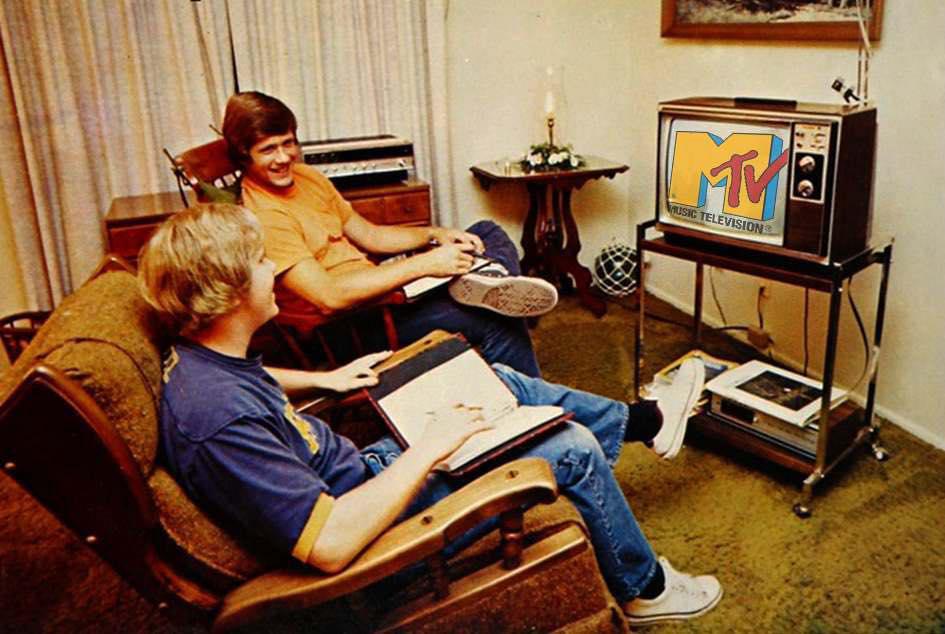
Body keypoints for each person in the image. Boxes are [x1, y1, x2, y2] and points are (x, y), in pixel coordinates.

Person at [138, 202, 723, 626]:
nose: (274, 272)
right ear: (228, 290)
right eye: (262, 262)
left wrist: (321, 377)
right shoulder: (218, 422)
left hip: (368, 471)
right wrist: (431, 447)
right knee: (569, 447)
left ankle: (643, 422)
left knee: (497, 381)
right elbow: (332, 544)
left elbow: (251, 383)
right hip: (376, 522)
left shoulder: (202, 361)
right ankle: (645, 590)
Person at [222, 90, 556, 378]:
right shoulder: (263, 217)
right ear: (243, 155)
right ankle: (536, 402)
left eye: (288, 144)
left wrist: (436, 235)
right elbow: (329, 296)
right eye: (268, 149)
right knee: (495, 320)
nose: (284, 158)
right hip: (354, 325)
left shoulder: (307, 177)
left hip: (383, 292)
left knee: (486, 231)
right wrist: (424, 265)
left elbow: (370, 235)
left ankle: (490, 282)